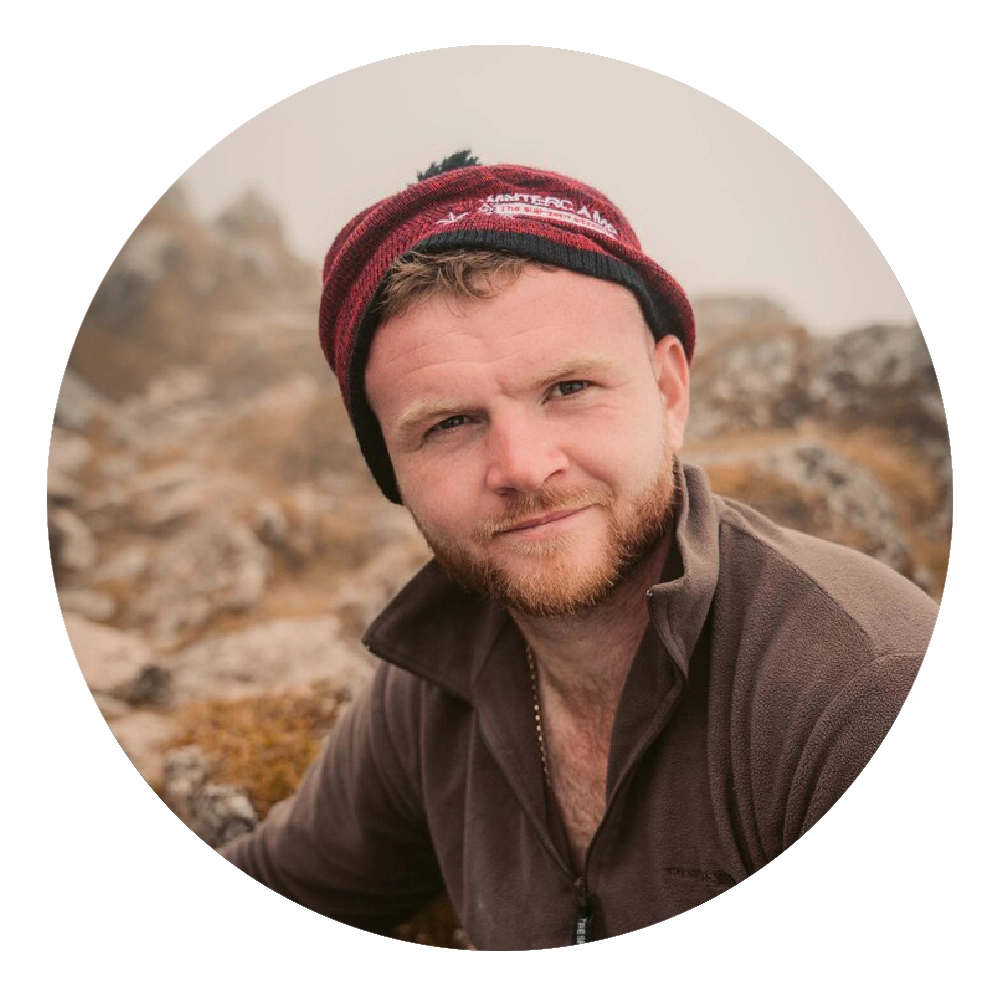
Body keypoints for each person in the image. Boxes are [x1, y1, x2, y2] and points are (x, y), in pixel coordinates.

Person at [220, 158, 938, 949]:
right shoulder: (432, 684)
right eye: (449, 423)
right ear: (392, 469)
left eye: (569, 389)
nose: (523, 467)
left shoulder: (860, 696)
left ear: (668, 393)